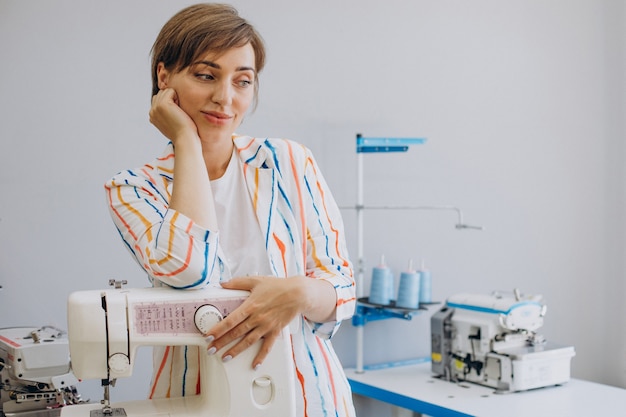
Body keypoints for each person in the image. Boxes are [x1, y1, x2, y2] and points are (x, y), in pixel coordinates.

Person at [104, 3, 356, 416]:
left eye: (243, 81)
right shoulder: (133, 188)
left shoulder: (290, 162)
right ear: (164, 78)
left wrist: (298, 292)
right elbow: (191, 270)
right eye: (206, 76)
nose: (225, 98)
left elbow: (340, 286)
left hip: (310, 398)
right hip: (196, 400)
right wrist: (185, 141)